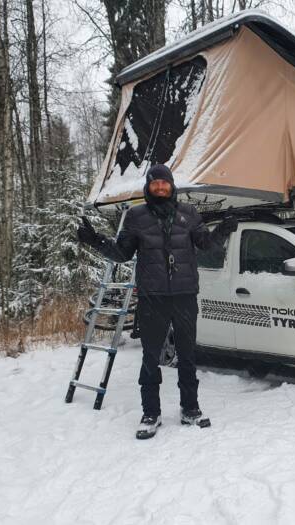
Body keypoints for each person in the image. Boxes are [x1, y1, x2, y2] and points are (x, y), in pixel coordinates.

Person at [77, 164, 238, 439]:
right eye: (156, 184)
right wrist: (95, 241)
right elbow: (122, 253)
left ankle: (191, 409)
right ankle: (150, 413)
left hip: (185, 295)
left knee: (187, 356)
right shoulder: (136, 217)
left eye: (165, 183)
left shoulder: (188, 214)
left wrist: (223, 230)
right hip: (153, 298)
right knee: (151, 358)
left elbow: (206, 245)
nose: (161, 187)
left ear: (172, 186)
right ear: (149, 187)